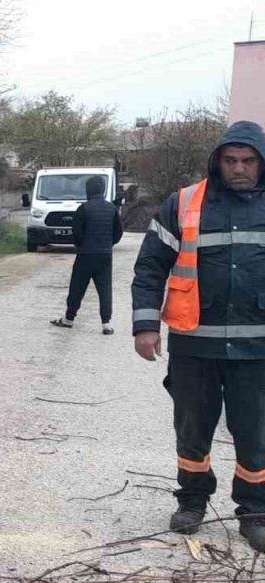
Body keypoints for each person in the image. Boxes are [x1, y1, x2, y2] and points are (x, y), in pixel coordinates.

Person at [131, 120, 265, 553]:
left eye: (248, 161)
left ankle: (255, 511)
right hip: (195, 344)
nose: (239, 168)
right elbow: (151, 266)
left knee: (256, 432)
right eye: (231, 160)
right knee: (192, 428)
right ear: (218, 161)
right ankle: (191, 500)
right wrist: (146, 325)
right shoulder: (185, 203)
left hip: (258, 348)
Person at [50, 175, 123, 334]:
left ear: (88, 190)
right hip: (105, 255)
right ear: (103, 189)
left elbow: (76, 234)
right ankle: (106, 323)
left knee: (77, 287)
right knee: (105, 288)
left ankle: (69, 319)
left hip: (85, 254)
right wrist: (108, 244)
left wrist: (81, 245)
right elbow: (118, 233)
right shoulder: (112, 209)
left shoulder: (83, 209)